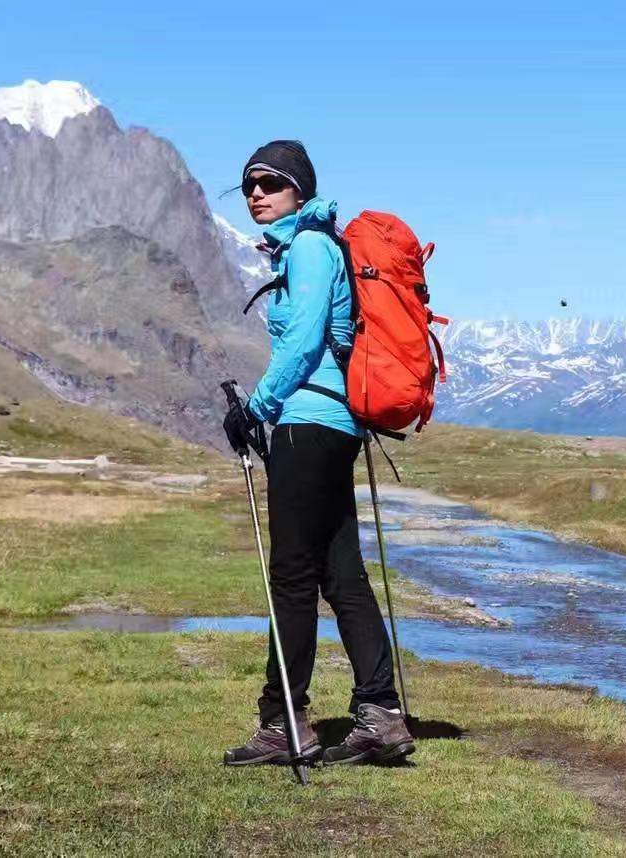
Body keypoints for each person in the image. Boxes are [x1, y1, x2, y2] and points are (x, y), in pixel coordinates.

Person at [221, 140, 415, 767]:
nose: (257, 193)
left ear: (298, 191)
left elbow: (303, 342)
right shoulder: (319, 246)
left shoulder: (306, 247)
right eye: (249, 183)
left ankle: (283, 724)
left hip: (305, 424)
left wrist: (256, 408)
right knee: (340, 574)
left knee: (293, 578)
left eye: (270, 183)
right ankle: (381, 715)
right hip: (338, 426)